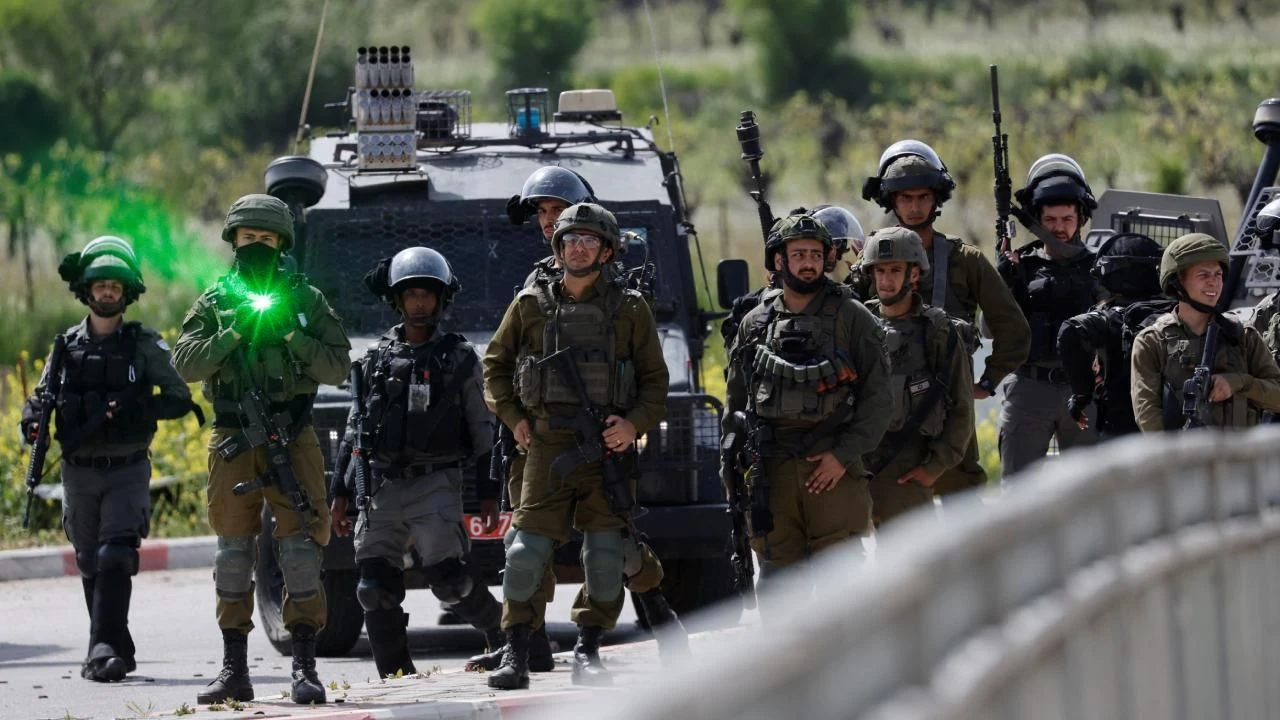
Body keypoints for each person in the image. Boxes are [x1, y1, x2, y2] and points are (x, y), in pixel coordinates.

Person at [174, 194, 352, 705]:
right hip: (233, 440)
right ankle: (234, 668)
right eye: (248, 238)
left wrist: (293, 335)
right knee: (233, 553)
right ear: (234, 241)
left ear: (281, 245)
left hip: (293, 438)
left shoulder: (306, 300)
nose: (256, 246)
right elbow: (186, 363)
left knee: (301, 550)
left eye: (266, 239)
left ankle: (304, 667)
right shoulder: (214, 302)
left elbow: (338, 367)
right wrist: (232, 333)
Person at [482, 203, 669, 689]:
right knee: (525, 552)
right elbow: (494, 367)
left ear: (606, 251)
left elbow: (655, 381)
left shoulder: (630, 309)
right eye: (570, 240)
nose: (578, 248)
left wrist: (632, 425)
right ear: (558, 248)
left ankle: (588, 649)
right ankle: (516, 651)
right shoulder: (530, 304)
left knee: (605, 555)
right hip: (545, 446)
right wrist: (515, 420)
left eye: (589, 241)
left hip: (605, 447)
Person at [21, 236, 197, 682]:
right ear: (86, 291)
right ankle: (116, 643)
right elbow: (41, 399)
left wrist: (140, 410)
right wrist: (33, 424)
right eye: (99, 285)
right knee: (88, 560)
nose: (106, 292)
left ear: (127, 292)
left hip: (127, 467)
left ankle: (100, 650)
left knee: (117, 554)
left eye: (114, 286)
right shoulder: (65, 346)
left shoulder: (144, 344)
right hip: (79, 470)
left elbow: (179, 397)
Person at [329, 246, 504, 678]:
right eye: (411, 295)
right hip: (381, 484)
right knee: (373, 586)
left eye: (427, 295)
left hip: (435, 482)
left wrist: (488, 493)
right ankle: (396, 675)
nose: (419, 303)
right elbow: (355, 430)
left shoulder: (460, 359)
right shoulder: (373, 358)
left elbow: (483, 431)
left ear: (441, 300)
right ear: (397, 300)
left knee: (450, 579)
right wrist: (341, 493)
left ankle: (510, 638)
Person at [722, 213, 892, 582]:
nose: (809, 263)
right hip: (772, 472)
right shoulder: (756, 323)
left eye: (816, 254)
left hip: (832, 472)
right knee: (778, 582)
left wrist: (842, 456)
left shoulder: (852, 317)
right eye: (799, 255)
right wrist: (733, 473)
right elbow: (735, 404)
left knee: (842, 585)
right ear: (779, 260)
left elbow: (879, 400)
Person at [856, 139, 1029, 496]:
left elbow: (1013, 329)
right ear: (891, 200)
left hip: (949, 407)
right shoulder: (870, 263)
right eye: (905, 197)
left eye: (923, 197)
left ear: (936, 199)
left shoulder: (965, 260)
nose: (914, 206)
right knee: (889, 508)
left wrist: (985, 382)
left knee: (961, 504)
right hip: (887, 410)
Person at [996, 154, 1105, 477]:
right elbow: (990, 329)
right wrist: (1004, 284)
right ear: (1036, 220)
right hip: (1030, 387)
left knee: (1086, 489)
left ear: (1081, 218)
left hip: (1083, 390)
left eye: (1067, 219)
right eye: (1051, 220)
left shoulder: (1098, 267)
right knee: (1018, 490)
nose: (1059, 228)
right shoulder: (1022, 267)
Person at [858, 228, 973, 526]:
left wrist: (935, 466)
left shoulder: (937, 330)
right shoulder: (857, 322)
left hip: (906, 464)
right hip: (855, 461)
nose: (886, 280)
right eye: (880, 270)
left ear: (913, 274)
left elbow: (962, 406)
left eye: (895, 270)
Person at [1130, 233, 1280, 431]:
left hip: (1240, 450)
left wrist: (1238, 382)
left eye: (1218, 275)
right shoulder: (1152, 342)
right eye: (1203, 275)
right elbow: (1148, 416)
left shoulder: (1243, 336)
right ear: (1178, 282)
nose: (1214, 282)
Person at [1056, 233, 1171, 439]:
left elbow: (1069, 331)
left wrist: (1082, 394)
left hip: (1119, 428)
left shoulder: (1107, 318)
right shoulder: (1178, 313)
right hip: (1173, 429)